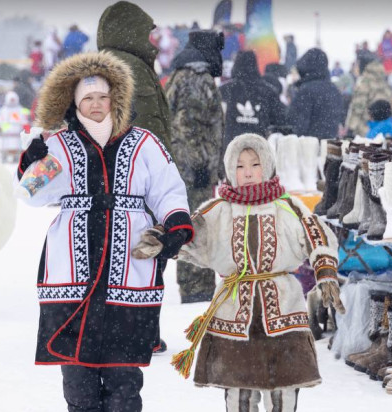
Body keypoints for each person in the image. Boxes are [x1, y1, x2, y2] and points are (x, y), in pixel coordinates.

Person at [16, 51, 192, 412]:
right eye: (87, 98)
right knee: (74, 358)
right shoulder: (58, 144)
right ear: (74, 104)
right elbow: (31, 194)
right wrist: (31, 162)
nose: (95, 104)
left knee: (123, 361)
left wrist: (175, 223)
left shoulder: (144, 142)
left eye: (102, 96)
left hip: (129, 260)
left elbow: (168, 189)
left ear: (116, 99)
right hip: (72, 264)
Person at [176, 133, 344, 412]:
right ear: (229, 169)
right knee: (237, 375)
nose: (248, 171)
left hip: (282, 301)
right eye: (239, 166)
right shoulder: (218, 208)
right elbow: (191, 233)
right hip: (233, 304)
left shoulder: (287, 204)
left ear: (266, 166)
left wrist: (325, 271)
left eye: (254, 164)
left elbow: (316, 233)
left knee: (285, 374)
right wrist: (166, 239)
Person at [166, 30, 225, 304]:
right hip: (194, 169)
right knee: (196, 224)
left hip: (184, 165)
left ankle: (194, 283)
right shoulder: (197, 78)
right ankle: (196, 286)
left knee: (188, 223)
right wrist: (201, 162)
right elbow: (188, 123)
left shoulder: (182, 74)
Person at [98, 1, 173, 149]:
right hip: (142, 160)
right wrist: (166, 159)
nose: (149, 40)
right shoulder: (132, 66)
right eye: (145, 33)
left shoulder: (107, 60)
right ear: (131, 32)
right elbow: (148, 121)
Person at [220, 51, 287, 148]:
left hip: (231, 148)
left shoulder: (225, 90)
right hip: (260, 148)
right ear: (256, 65)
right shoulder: (268, 91)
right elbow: (281, 121)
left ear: (236, 65)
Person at [288, 48, 344, 139]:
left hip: (307, 146)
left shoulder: (306, 90)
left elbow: (298, 124)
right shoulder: (334, 89)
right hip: (329, 144)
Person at [346, 53, 392, 138]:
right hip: (382, 127)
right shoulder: (383, 81)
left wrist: (351, 128)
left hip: (365, 127)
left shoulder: (365, 83)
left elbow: (358, 107)